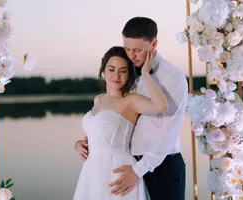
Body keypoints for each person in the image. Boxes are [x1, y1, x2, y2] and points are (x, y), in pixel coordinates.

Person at [75, 17, 188, 200]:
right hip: (127, 163)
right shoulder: (128, 70)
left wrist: (139, 170)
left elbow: (168, 134)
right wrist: (89, 142)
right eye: (127, 48)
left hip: (161, 166)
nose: (131, 55)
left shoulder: (173, 78)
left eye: (137, 50)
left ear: (154, 43)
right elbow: (115, 118)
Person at [73, 46, 168, 200]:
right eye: (111, 69)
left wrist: (145, 74)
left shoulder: (131, 100)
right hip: (92, 170)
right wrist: (79, 145)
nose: (116, 75)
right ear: (103, 72)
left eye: (123, 70)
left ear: (129, 74)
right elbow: (99, 133)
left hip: (116, 171)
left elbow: (161, 105)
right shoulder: (99, 99)